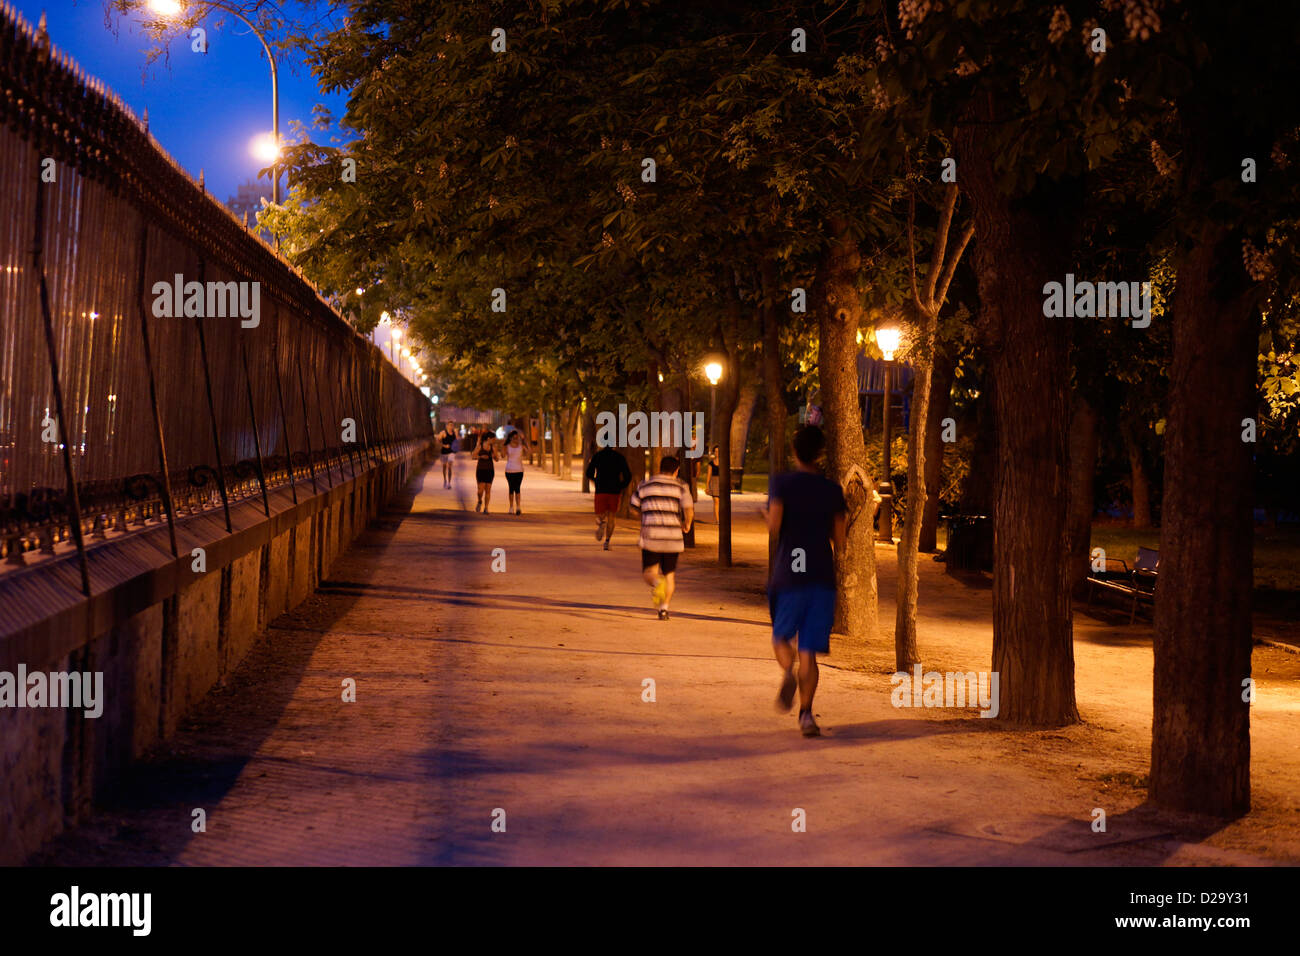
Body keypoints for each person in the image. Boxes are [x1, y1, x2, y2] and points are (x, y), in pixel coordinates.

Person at [759, 425, 846, 738]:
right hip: (820, 576)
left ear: (795, 451)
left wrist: (767, 517)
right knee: (809, 650)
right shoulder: (832, 490)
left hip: (788, 574)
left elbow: (775, 526)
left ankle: (787, 671)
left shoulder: (781, 482)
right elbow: (840, 539)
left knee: (781, 638)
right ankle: (807, 716)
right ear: (820, 453)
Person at [629, 455, 694, 621]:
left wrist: (645, 517)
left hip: (652, 535)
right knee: (669, 574)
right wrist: (687, 524)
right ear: (676, 470)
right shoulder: (681, 486)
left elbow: (633, 508)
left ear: (660, 467)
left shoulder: (645, 484)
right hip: (673, 536)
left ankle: (658, 584)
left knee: (649, 573)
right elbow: (688, 508)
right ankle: (664, 610)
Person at [584, 438, 632, 550]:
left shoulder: (598, 456)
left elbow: (588, 472)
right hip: (614, 490)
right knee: (612, 516)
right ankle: (607, 542)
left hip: (601, 489)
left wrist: (595, 481)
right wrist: (621, 486)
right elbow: (628, 476)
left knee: (600, 513)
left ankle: (601, 522)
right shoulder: (619, 458)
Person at [503, 429, 530, 515]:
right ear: (510, 438)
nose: (516, 439)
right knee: (511, 488)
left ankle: (518, 507)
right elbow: (502, 455)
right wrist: (504, 445)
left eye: (517, 438)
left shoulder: (521, 446)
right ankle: (511, 507)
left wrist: (524, 440)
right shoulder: (507, 446)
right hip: (509, 470)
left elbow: (530, 451)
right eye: (514, 438)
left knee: (517, 488)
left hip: (519, 470)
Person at [475, 431, 500, 513]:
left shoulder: (493, 447)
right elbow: (473, 455)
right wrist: (480, 456)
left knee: (488, 490)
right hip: (481, 469)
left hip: (490, 470)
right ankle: (479, 501)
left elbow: (497, 459)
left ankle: (486, 508)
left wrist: (494, 455)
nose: (494, 440)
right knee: (480, 490)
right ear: (489, 439)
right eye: (493, 439)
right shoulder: (480, 446)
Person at [704, 445, 721, 522]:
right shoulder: (711, 463)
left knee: (721, 502)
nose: (717, 453)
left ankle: (722, 518)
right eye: (716, 451)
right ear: (714, 452)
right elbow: (709, 475)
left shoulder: (724, 462)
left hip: (721, 483)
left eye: (718, 451)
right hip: (714, 483)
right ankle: (718, 520)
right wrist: (707, 486)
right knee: (716, 501)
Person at [438, 422, 457, 488]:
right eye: (450, 425)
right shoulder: (443, 433)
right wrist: (444, 445)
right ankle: (445, 480)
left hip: (451, 452)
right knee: (444, 467)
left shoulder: (454, 433)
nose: (451, 426)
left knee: (449, 466)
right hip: (444, 452)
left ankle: (449, 483)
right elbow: (438, 441)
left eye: (452, 425)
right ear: (447, 426)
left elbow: (455, 442)